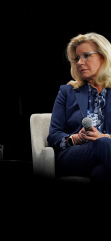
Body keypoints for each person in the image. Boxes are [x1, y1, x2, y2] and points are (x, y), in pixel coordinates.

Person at [47, 32, 111, 181]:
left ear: (103, 56)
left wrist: (105, 136)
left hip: (106, 153)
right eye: (77, 58)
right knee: (103, 144)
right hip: (74, 155)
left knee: (100, 173)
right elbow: (54, 136)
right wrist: (75, 138)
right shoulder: (67, 92)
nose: (80, 62)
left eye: (86, 56)